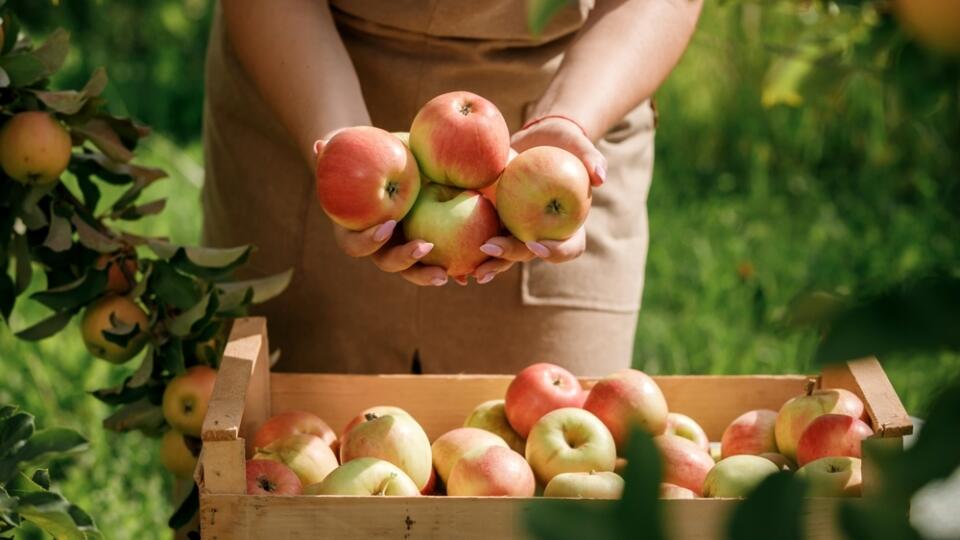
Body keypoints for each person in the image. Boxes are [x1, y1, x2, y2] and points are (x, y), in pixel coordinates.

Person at [202, 0, 702, 375]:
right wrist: (346, 156)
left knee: (550, 483)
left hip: (577, 94)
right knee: (278, 459)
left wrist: (570, 119)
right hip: (305, 80)